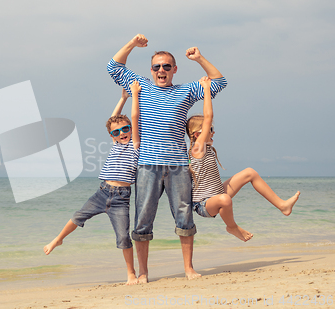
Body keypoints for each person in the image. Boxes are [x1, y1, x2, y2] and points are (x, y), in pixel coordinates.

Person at [107, 34, 227, 281]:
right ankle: (143, 272)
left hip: (178, 165)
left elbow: (220, 81)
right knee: (142, 218)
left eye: (166, 66)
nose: (161, 70)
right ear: (151, 70)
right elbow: (113, 66)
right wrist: (132, 44)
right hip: (147, 165)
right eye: (157, 66)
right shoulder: (141, 86)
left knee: (184, 215)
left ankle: (189, 268)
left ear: (174, 69)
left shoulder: (186, 91)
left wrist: (200, 58)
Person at [43, 81, 142, 285]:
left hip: (121, 198)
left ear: (131, 129)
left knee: (123, 237)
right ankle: (59, 239)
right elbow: (112, 120)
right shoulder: (115, 143)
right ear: (111, 136)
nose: (121, 134)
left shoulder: (135, 144)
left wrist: (134, 97)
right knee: (78, 216)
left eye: (125, 129)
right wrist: (122, 98)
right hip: (102, 192)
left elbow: (133, 117)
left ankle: (131, 273)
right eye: (116, 132)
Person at [187, 77, 300, 242]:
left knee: (249, 173)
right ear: (198, 134)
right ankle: (232, 227)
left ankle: (283, 206)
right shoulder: (197, 148)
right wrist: (206, 89)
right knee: (225, 199)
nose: (213, 132)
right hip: (203, 205)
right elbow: (208, 115)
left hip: (217, 194)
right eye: (210, 129)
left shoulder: (207, 149)